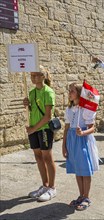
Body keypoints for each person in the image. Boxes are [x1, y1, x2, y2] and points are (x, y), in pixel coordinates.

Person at [62, 83, 99, 211]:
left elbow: (93, 128)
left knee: (84, 169)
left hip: (82, 140)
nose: (69, 93)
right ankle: (81, 195)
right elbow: (66, 129)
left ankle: (86, 197)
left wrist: (82, 132)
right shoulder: (69, 110)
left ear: (79, 93)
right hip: (72, 141)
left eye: (72, 91)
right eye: (69, 91)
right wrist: (64, 145)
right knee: (77, 169)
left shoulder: (86, 109)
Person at [23, 65, 57, 202]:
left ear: (43, 76)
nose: (34, 77)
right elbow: (32, 109)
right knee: (38, 157)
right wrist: (27, 104)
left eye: (37, 75)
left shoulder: (48, 92)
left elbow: (48, 116)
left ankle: (52, 188)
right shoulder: (31, 92)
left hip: (44, 129)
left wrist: (33, 128)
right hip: (33, 129)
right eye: (32, 75)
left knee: (47, 157)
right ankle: (45, 185)